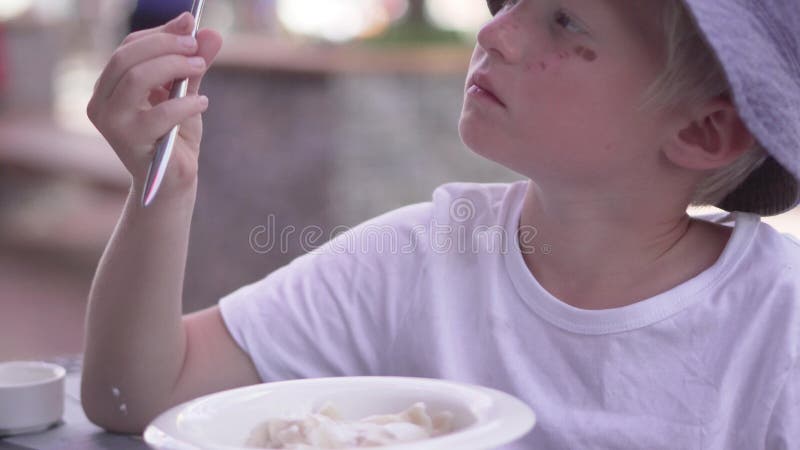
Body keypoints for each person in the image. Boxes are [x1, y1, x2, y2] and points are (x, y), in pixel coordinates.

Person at [80, 0, 800, 447]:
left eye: (566, 20)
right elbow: (139, 394)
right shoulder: (418, 257)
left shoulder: (778, 330)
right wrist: (164, 189)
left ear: (704, 133)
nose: (495, 29)